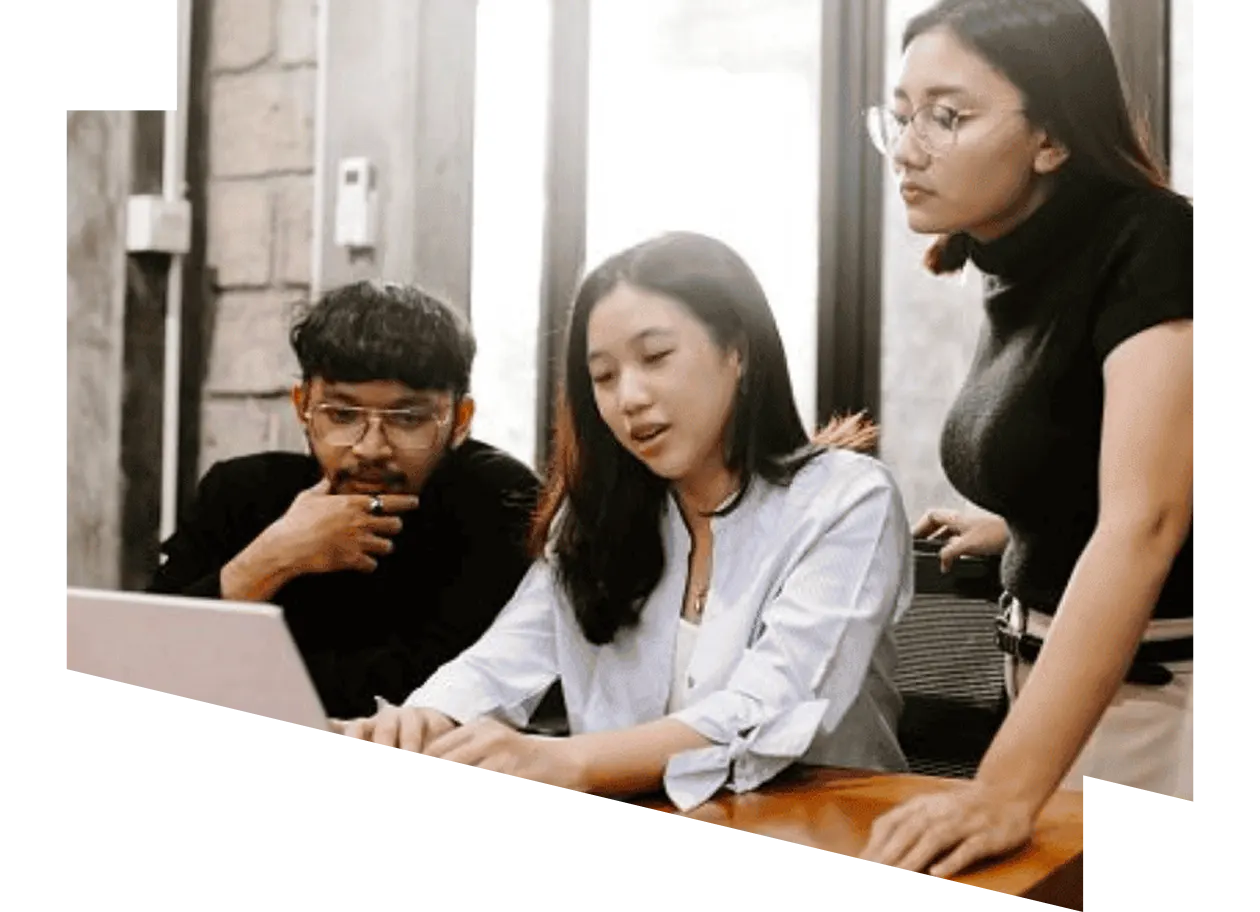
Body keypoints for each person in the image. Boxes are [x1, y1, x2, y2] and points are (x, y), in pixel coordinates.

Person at [337, 231, 912, 812]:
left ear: (737, 350)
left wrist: (567, 761)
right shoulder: (595, 518)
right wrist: (421, 722)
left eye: (656, 357)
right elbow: (502, 659)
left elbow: (771, 707)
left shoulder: (845, 499)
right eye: (604, 376)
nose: (628, 398)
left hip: (834, 830)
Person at [855, 0, 1198, 878]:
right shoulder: (1014, 256)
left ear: (1050, 137)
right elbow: (1110, 459)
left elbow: (1149, 520)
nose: (908, 147)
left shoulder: (1153, 237)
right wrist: (1028, 525)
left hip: (1167, 704)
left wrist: (1002, 789)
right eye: (900, 116)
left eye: (947, 116)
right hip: (1058, 688)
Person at [147, 280, 542, 721]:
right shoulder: (240, 491)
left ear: (460, 419)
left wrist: (232, 675)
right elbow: (143, 662)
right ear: (302, 406)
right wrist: (274, 557)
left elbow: (431, 690)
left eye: (408, 419)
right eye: (342, 415)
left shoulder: (497, 498)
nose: (371, 448)